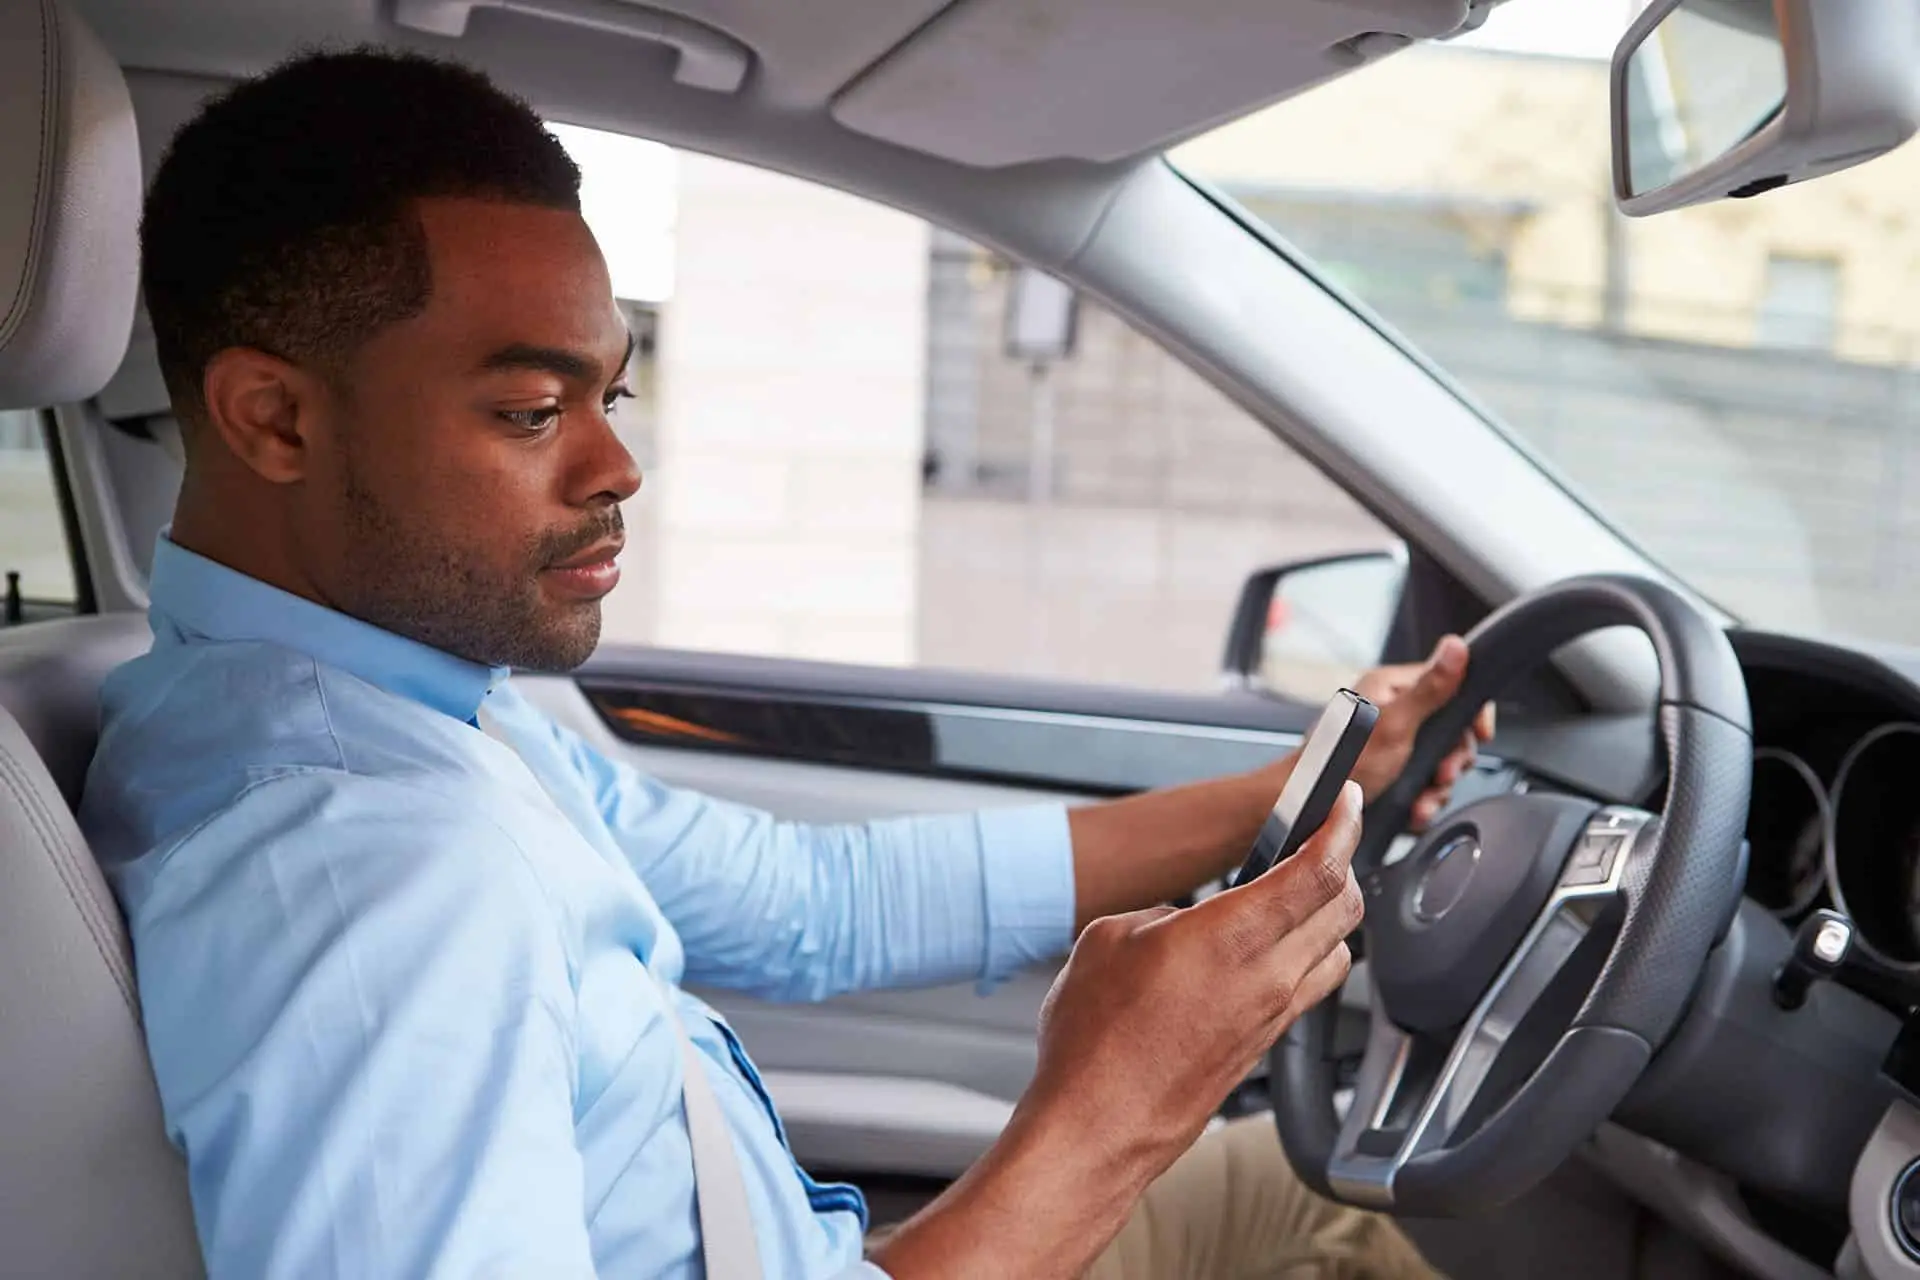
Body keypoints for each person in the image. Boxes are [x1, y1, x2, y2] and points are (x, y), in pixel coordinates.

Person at [81, 49, 1490, 1280]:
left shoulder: (403, 712)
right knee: (1383, 1216)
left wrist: (1297, 788)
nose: (619, 463)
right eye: (528, 409)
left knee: (1328, 1192)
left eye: (610, 390)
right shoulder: (366, 865)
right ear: (273, 419)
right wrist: (1109, 1111)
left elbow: (812, 901)